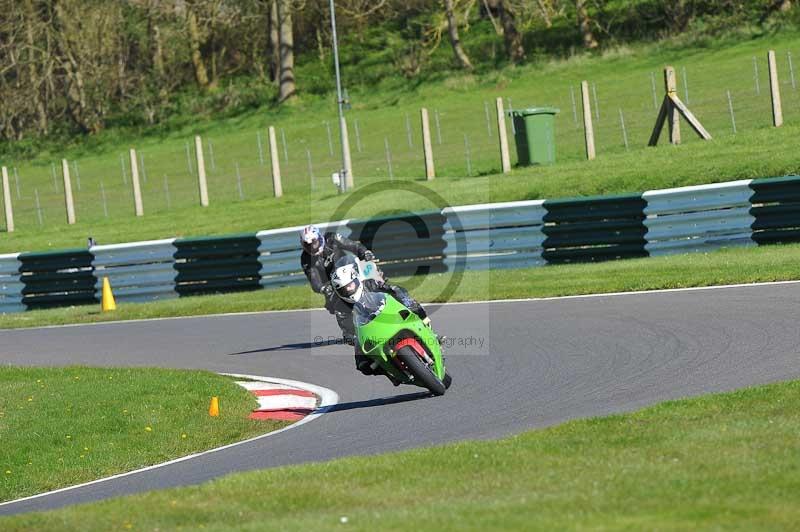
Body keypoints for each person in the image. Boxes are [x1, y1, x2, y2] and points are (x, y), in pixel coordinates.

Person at [299, 225, 429, 374]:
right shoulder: (305, 258)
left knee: (381, 283)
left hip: (353, 269)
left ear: (319, 238)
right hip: (335, 285)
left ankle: (410, 306)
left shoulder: (332, 238)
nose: (311, 246)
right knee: (335, 306)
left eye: (313, 242)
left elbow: (353, 246)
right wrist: (323, 288)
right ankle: (359, 341)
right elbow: (314, 280)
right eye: (307, 244)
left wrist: (365, 253)